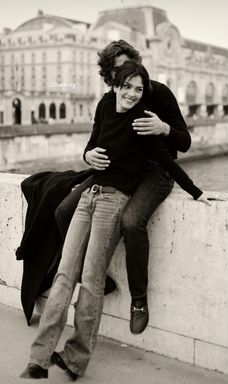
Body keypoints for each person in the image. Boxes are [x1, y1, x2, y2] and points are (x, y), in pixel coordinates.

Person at [21, 61, 210, 381]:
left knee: (92, 284)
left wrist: (195, 191)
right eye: (126, 86)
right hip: (88, 197)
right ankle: (39, 359)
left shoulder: (142, 121)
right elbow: (93, 143)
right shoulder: (106, 106)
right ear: (115, 85)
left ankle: (76, 359)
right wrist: (87, 155)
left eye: (139, 89)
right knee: (65, 275)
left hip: (113, 202)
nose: (132, 93)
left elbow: (167, 160)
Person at [54, 39, 191, 335]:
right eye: (119, 72)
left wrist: (164, 128)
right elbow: (93, 142)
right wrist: (88, 155)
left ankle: (139, 301)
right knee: (64, 210)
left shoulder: (158, 93)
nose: (128, 78)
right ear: (110, 77)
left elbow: (185, 141)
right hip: (121, 171)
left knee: (131, 221)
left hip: (157, 170)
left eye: (131, 67)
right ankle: (100, 282)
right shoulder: (108, 100)